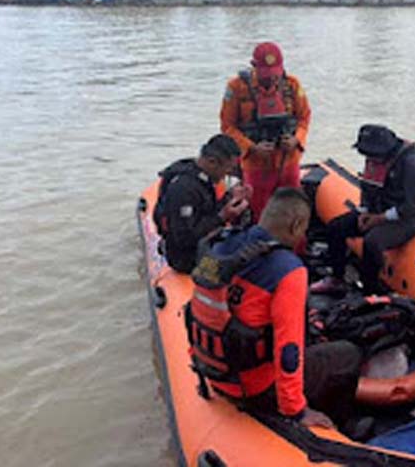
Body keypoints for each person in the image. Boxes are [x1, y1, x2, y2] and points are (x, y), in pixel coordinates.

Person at [188, 187, 364, 431]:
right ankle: (340, 424)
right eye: (303, 230)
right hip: (255, 387)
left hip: (214, 370)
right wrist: (296, 411)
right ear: (296, 225)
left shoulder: (220, 245)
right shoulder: (289, 269)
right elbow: (288, 350)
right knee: (348, 354)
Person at [312, 124, 415, 295]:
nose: (368, 158)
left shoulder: (412, 163)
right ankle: (336, 278)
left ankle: (371, 289)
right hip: (379, 209)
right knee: (335, 227)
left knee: (373, 242)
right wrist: (364, 211)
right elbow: (368, 188)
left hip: (407, 217)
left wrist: (379, 218)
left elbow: (412, 206)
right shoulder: (373, 159)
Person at [219, 42, 311, 221]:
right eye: (266, 75)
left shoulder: (292, 85)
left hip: (288, 161)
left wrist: (296, 140)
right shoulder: (236, 88)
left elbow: (304, 117)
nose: (271, 79)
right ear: (254, 66)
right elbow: (227, 126)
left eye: (274, 74)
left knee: (293, 213)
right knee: (260, 214)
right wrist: (252, 147)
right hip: (256, 165)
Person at [153, 134, 250, 274]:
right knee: (244, 268)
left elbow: (205, 212)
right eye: (228, 169)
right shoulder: (183, 189)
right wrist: (222, 217)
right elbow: (184, 239)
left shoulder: (201, 178)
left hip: (204, 244)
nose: (228, 174)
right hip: (186, 259)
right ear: (212, 162)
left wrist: (230, 198)